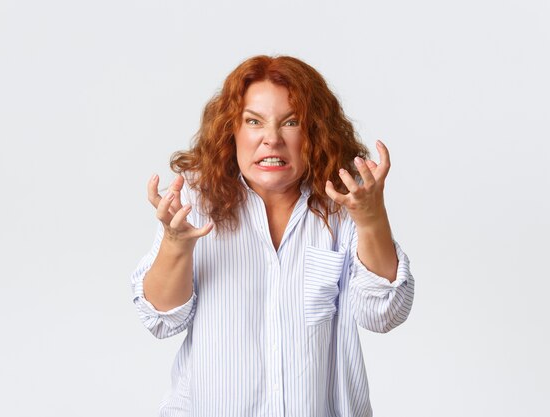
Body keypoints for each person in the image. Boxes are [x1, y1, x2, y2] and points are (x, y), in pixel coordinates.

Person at [131, 55, 415, 417]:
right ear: (232, 130)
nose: (271, 139)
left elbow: (384, 314)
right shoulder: (194, 201)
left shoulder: (344, 204)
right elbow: (160, 320)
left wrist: (372, 218)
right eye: (254, 122)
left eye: (291, 122)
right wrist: (176, 244)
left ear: (313, 132)